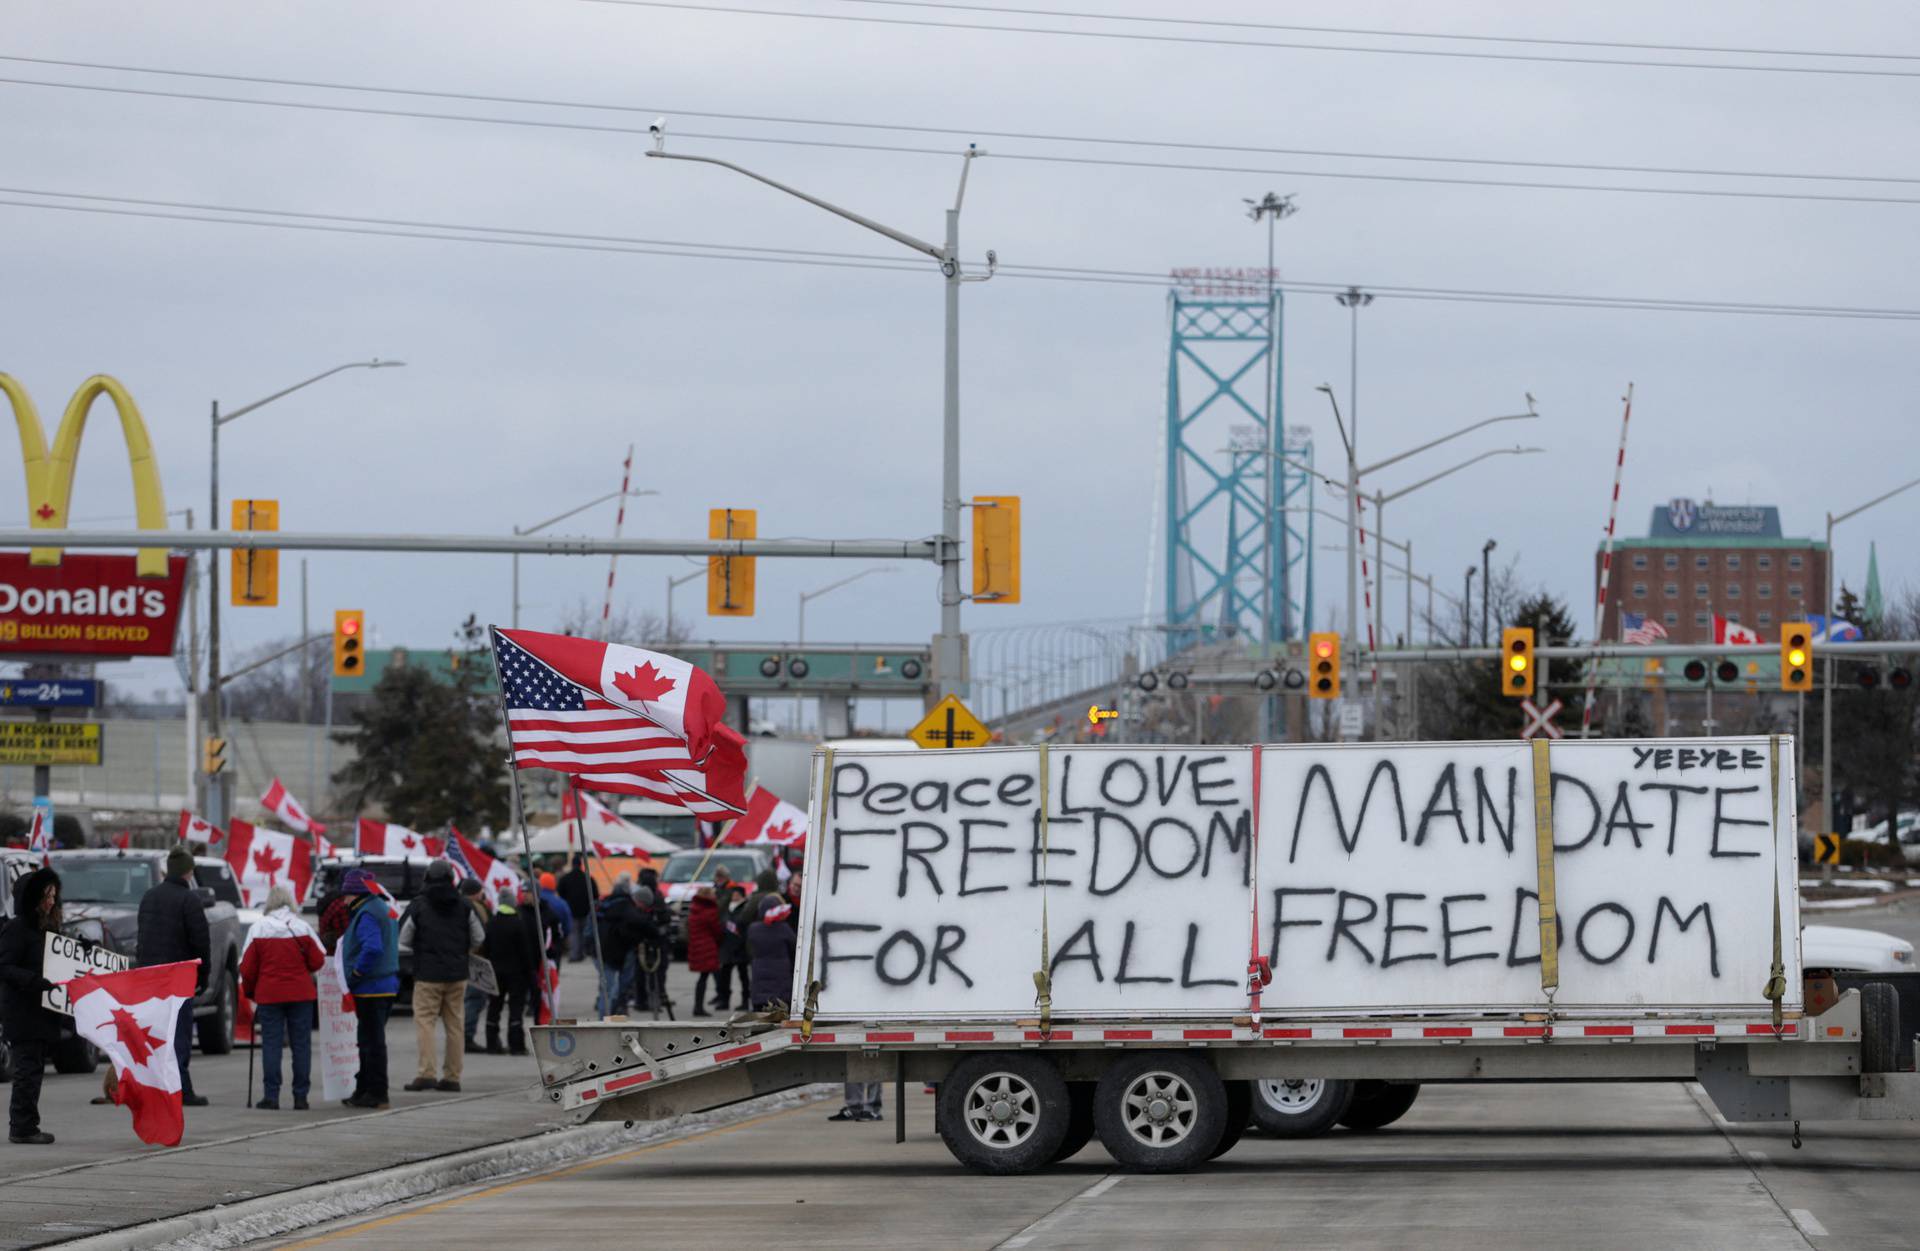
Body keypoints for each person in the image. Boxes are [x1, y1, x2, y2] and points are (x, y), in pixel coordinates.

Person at [238, 885, 324, 1111]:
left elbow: (246, 968)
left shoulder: (259, 928)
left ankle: (271, 1096)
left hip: (269, 995)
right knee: (301, 1046)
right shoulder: (301, 926)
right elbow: (318, 960)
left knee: (272, 1046)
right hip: (301, 994)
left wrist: (249, 991)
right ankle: (300, 1096)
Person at [401, 860, 484, 1094]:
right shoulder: (465, 905)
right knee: (455, 1024)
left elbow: (403, 939)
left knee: (425, 1022)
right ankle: (452, 1077)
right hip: (457, 974)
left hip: (427, 974)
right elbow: (478, 937)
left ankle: (426, 1073)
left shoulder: (418, 905)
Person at [137, 845, 210, 1108]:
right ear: (188, 872)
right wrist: (204, 974)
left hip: (151, 977)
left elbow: (142, 938)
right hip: (179, 977)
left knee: (156, 1034)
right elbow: (201, 940)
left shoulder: (149, 896)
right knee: (179, 1034)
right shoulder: (189, 899)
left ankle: (155, 1086)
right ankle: (181, 1087)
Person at [0, 867, 63, 1143]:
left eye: (53, 895)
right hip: (22, 1010)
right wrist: (35, 981)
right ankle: (22, 1127)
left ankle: (27, 1123)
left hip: (40, 1010)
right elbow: (4, 967)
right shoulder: (16, 929)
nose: (51, 901)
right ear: (32, 898)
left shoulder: (45, 927)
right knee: (27, 1069)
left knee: (34, 1068)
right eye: (46, 896)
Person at [338, 868, 400, 1109]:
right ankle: (363, 1090)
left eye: (345, 895)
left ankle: (377, 1092)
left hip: (371, 987)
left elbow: (372, 948)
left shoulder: (367, 913)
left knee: (372, 1042)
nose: (343, 900)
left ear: (355, 894)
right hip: (385, 985)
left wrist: (355, 973)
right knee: (368, 1040)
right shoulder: (382, 907)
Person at [483, 886, 537, 1054]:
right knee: (515, 1009)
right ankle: (516, 1045)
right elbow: (525, 952)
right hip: (516, 974)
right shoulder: (518, 924)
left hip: (495, 973)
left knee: (494, 1007)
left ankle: (492, 1044)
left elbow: (485, 949)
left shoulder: (491, 923)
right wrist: (531, 974)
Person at [592, 877, 646, 1017]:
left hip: (602, 951)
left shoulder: (603, 905)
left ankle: (605, 1017)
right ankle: (606, 1018)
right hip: (616, 952)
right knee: (613, 989)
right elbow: (637, 926)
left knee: (608, 988)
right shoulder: (627, 908)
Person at [459, 877, 492, 1052]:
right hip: (475, 959)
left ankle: (462, 1036)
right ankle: (467, 1037)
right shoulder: (475, 907)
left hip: (460, 959)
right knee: (475, 999)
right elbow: (482, 935)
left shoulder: (457, 905)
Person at [747, 893, 795, 1012]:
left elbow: (749, 950)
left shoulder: (753, 929)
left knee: (759, 1019)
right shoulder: (784, 929)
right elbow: (794, 949)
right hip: (782, 984)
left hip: (759, 982)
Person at [685, 885, 723, 1018]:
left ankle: (698, 1006)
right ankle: (699, 1007)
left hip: (697, 945)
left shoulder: (694, 909)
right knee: (705, 977)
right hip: (707, 946)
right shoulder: (710, 911)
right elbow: (716, 930)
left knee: (703, 977)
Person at [716, 880, 752, 1013]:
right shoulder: (727, 908)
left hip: (740, 948)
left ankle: (744, 1002)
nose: (734, 896)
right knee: (724, 976)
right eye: (733, 894)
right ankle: (724, 1001)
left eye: (737, 894)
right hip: (727, 947)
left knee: (743, 977)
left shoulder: (745, 908)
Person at [556, 855, 598, 963]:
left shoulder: (566, 878)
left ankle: (574, 954)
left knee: (574, 934)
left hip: (571, 910)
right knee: (584, 932)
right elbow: (595, 894)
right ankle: (583, 953)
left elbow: (560, 893)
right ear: (580, 864)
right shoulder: (588, 878)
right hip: (586, 910)